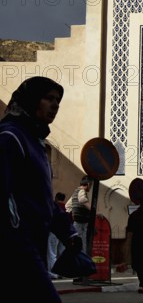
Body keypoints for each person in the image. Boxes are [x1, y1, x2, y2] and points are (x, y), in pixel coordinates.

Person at [1, 76, 81, 302]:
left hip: (34, 244)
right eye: (49, 98)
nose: (55, 105)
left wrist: (68, 232)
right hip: (17, 248)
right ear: (31, 100)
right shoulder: (11, 137)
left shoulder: (35, 141)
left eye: (58, 100)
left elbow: (41, 199)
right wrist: (17, 237)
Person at [66, 175, 92, 255]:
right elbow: (82, 200)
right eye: (91, 185)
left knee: (76, 243)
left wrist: (73, 212)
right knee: (82, 245)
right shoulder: (82, 191)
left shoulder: (75, 191)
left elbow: (67, 205)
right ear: (88, 184)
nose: (90, 187)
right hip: (82, 223)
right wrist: (94, 211)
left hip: (76, 222)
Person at [47, 192, 68, 279]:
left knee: (52, 252)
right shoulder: (65, 208)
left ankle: (53, 272)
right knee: (61, 253)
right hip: (63, 233)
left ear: (56, 198)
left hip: (54, 232)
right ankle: (61, 272)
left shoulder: (54, 206)